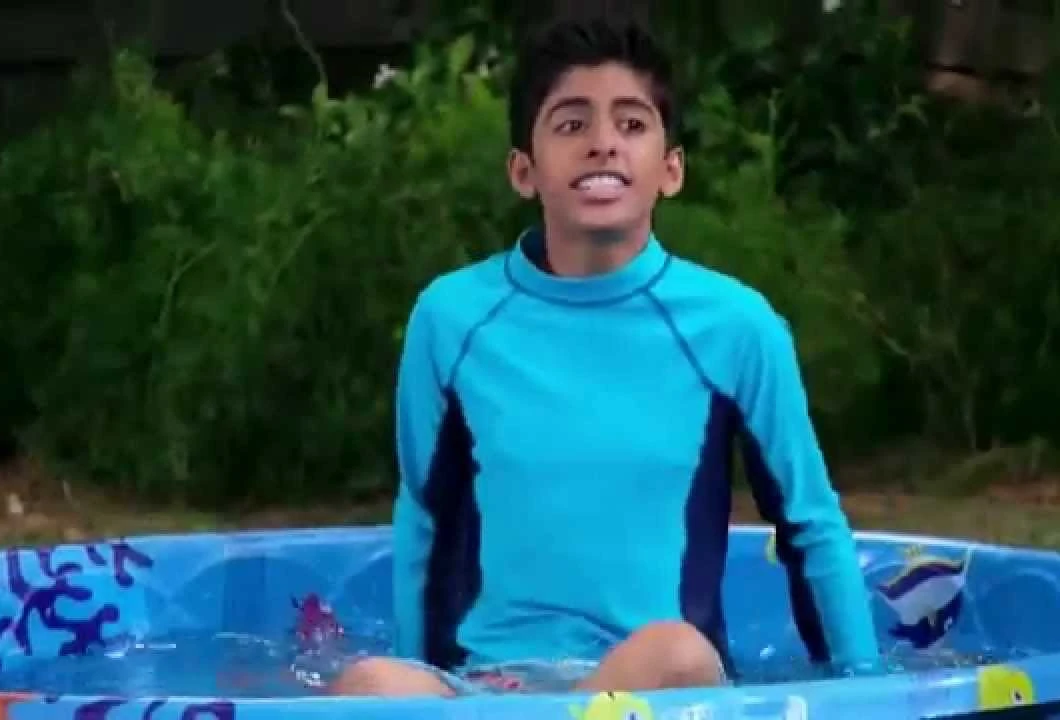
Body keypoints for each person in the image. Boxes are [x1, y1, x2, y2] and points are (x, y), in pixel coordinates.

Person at [331, 14, 882, 698]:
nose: (601, 144)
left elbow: (810, 522)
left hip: (657, 690)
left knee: (677, 651)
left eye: (631, 123)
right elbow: (424, 518)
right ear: (523, 171)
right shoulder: (451, 319)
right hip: (491, 691)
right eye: (571, 124)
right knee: (369, 685)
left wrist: (868, 690)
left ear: (671, 169)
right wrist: (422, 680)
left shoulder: (737, 327)